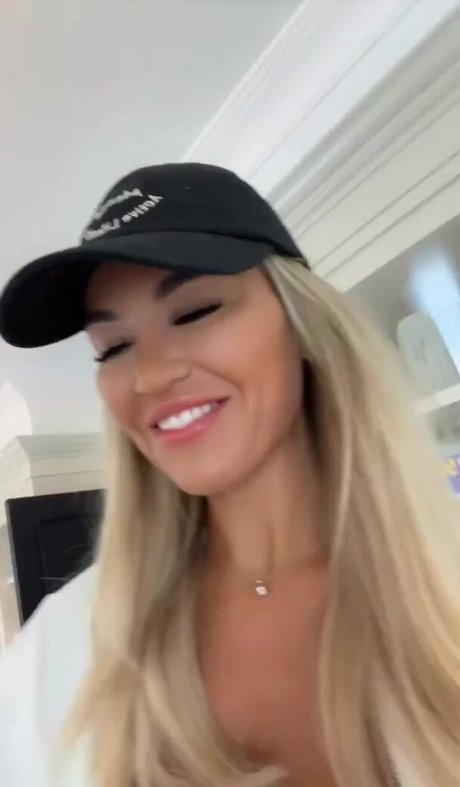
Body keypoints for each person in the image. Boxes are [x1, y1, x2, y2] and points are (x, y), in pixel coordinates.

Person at [0, 163, 459, 787]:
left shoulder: (445, 572)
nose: (150, 376)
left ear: (301, 326)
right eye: (114, 348)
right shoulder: (60, 653)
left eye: (196, 311)